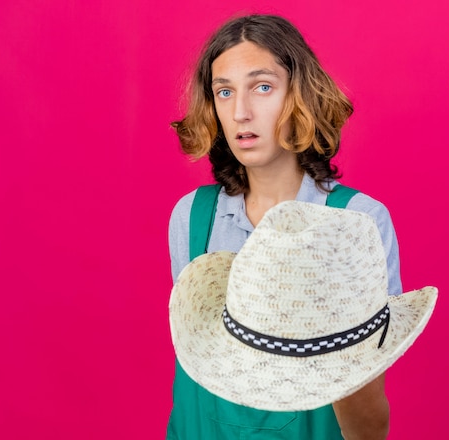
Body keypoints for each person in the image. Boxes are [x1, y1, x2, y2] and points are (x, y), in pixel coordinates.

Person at [168, 14, 402, 440]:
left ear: (299, 95)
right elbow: (196, 369)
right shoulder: (191, 218)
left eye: (262, 87)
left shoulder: (358, 223)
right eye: (224, 91)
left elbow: (368, 407)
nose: (240, 112)